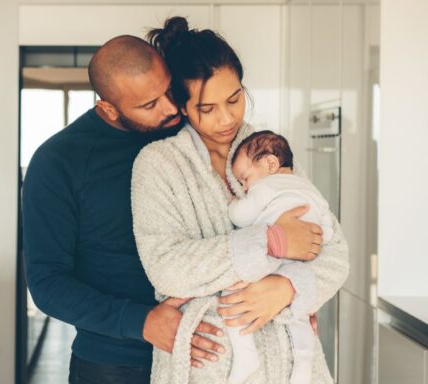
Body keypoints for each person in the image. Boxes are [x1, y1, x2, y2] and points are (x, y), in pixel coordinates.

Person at [131, 16, 349, 383]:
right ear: (182, 107)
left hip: (291, 365)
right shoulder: (158, 164)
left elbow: (336, 253)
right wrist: (269, 241)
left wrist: (287, 287)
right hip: (210, 366)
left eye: (234, 99)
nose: (227, 117)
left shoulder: (268, 150)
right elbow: (166, 267)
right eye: (207, 108)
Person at [23, 35, 217, 384]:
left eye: (168, 90)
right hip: (116, 364)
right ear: (108, 108)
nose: (171, 109)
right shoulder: (58, 162)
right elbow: (47, 283)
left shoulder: (188, 132)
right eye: (149, 105)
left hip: (209, 352)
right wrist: (143, 323)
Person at [227, 130, 335, 384]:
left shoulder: (265, 187)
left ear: (271, 164)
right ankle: (304, 365)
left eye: (245, 178)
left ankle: (245, 356)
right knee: (299, 316)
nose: (245, 186)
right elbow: (328, 231)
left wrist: (233, 203)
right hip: (302, 264)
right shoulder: (310, 189)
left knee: (232, 297)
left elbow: (241, 217)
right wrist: (316, 238)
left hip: (272, 257)